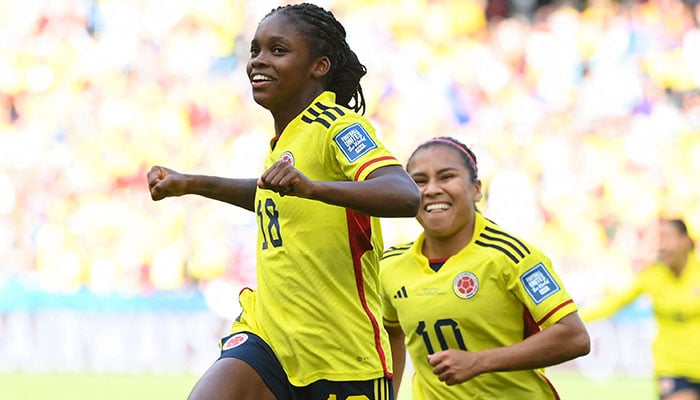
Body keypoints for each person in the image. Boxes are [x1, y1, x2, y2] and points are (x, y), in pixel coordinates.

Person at [146, 3, 420, 400]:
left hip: (340, 355)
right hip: (271, 335)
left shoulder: (337, 126)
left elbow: (404, 193)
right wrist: (191, 183)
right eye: (255, 49)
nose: (258, 60)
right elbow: (271, 198)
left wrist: (314, 188)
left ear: (319, 66)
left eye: (278, 50)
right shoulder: (287, 139)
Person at [380, 136, 590, 399]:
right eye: (419, 182)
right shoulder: (391, 265)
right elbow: (391, 334)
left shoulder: (510, 255)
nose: (432, 189)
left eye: (446, 177)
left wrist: (477, 362)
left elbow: (574, 337)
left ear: (476, 190)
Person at [581, 218, 700, 400]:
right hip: (672, 368)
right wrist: (565, 319)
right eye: (659, 239)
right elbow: (614, 303)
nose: (661, 245)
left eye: (667, 237)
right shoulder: (652, 274)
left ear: (685, 241)